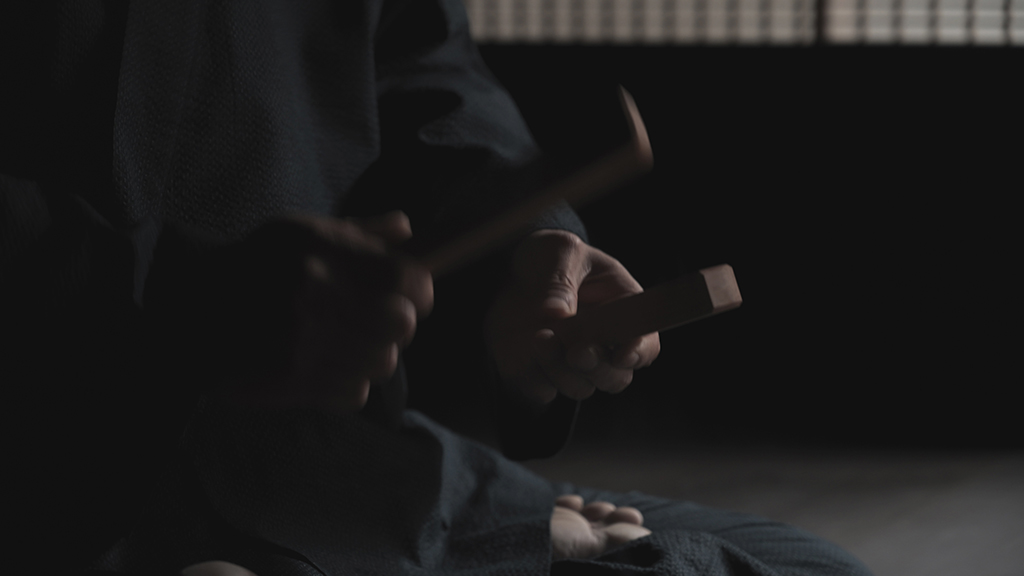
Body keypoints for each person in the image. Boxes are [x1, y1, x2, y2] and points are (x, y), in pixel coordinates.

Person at [0, 1, 873, 575]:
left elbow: (418, 53)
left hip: (326, 465)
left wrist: (529, 250)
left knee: (802, 567)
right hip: (59, 453)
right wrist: (179, 298)